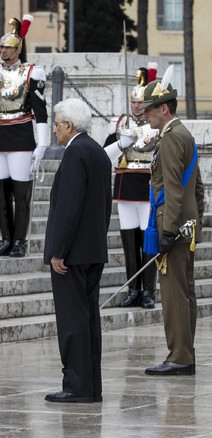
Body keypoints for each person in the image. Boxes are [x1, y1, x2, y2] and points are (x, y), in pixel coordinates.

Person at [43, 98, 112, 403]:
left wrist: (59, 251)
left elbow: (68, 207)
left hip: (72, 254)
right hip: (93, 248)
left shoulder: (75, 154)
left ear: (68, 125)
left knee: (72, 321)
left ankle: (75, 385)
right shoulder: (97, 152)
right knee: (88, 321)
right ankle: (91, 386)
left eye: (56, 124)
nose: (54, 130)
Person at [141, 70, 204, 376]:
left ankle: (179, 356)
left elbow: (174, 189)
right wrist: (194, 221)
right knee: (186, 291)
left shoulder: (169, 138)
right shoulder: (185, 135)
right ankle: (185, 354)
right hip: (186, 226)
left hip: (173, 227)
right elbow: (199, 189)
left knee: (173, 293)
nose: (146, 115)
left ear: (164, 108)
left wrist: (168, 231)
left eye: (150, 110)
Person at [0, 15, 49, 257]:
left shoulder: (32, 72)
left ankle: (20, 240)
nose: (3, 51)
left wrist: (43, 144)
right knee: (0, 190)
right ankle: (6, 237)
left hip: (20, 133)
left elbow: (41, 110)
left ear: (18, 49)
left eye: (8, 47)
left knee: (21, 190)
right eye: (1, 47)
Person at [103, 63, 160, 309]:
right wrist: (120, 142)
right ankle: (133, 289)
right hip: (125, 187)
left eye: (140, 102)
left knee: (147, 240)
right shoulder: (119, 124)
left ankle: (149, 290)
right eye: (133, 102)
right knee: (128, 241)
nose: (136, 106)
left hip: (147, 186)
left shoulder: (156, 126)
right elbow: (103, 156)